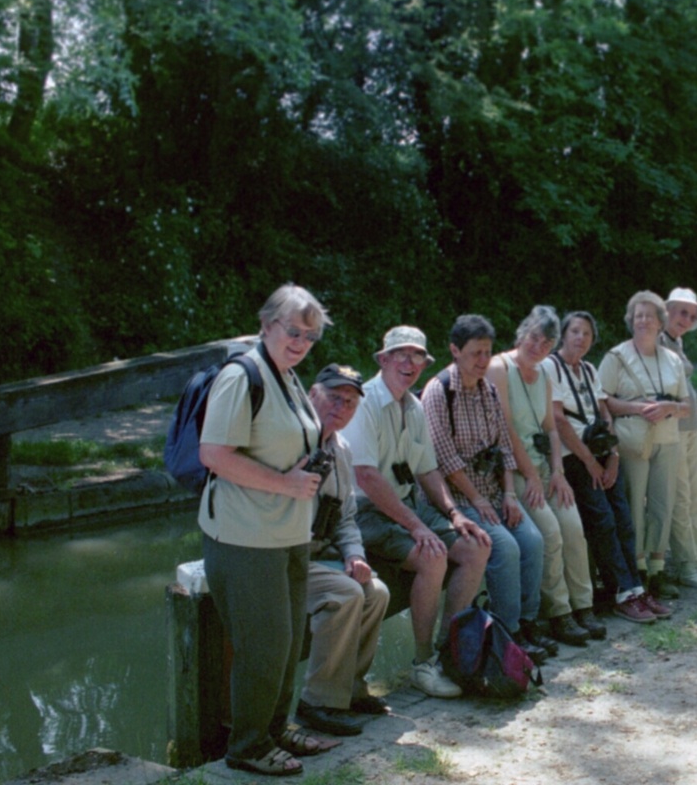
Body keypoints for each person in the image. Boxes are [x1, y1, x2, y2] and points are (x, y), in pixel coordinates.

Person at [198, 283, 337, 777]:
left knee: (289, 639)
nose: (300, 341)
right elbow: (213, 455)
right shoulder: (243, 376)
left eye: (310, 336)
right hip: (245, 536)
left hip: (288, 532)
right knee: (263, 647)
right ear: (267, 325)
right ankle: (249, 745)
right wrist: (284, 482)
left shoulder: (288, 374)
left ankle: (277, 730)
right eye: (293, 330)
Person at [339, 326, 492, 698]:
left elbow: (426, 469)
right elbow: (367, 477)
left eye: (417, 356)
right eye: (401, 354)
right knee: (432, 556)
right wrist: (417, 526)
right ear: (384, 359)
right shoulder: (366, 402)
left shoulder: (414, 404)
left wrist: (454, 513)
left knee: (476, 546)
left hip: (403, 507)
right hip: (365, 512)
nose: (409, 363)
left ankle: (448, 650)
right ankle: (422, 663)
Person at [422, 315, 553, 661]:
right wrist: (478, 500)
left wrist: (509, 494)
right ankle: (506, 634)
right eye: (476, 353)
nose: (483, 361)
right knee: (505, 548)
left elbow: (504, 448)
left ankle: (528, 622)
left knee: (533, 541)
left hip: (494, 492)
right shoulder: (438, 392)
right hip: (460, 498)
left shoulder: (488, 390)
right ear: (454, 351)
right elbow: (446, 459)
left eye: (487, 352)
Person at [489, 306, 604, 646]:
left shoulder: (544, 374)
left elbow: (551, 428)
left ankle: (583, 606)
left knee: (573, 527)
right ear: (522, 333)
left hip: (544, 469)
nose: (539, 345)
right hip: (515, 472)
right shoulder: (500, 368)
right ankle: (558, 613)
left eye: (547, 341)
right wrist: (532, 475)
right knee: (550, 533)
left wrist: (558, 471)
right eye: (535, 337)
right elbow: (505, 429)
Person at [548, 311, 671, 624]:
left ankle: (635, 588)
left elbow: (605, 413)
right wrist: (589, 462)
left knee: (624, 519)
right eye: (575, 332)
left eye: (587, 334)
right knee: (602, 521)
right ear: (563, 335)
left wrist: (613, 456)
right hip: (574, 456)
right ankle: (621, 593)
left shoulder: (589, 369)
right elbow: (559, 420)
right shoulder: (552, 367)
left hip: (602, 452)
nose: (580, 338)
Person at [296, 364, 391, 737]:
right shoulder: (292, 440)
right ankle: (316, 702)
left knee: (376, 592)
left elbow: (347, 517)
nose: (342, 407)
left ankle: (349, 688)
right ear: (311, 394)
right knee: (344, 592)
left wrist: (355, 555)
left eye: (350, 402)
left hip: (321, 555)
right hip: (285, 556)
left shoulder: (341, 449)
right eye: (334, 397)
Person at [598, 291, 689, 599]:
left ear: (660, 321)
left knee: (663, 503)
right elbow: (602, 400)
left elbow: (688, 404)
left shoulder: (673, 360)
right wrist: (638, 408)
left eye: (650, 315)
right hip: (632, 441)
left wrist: (669, 408)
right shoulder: (616, 357)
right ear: (630, 320)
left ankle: (657, 569)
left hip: (668, 438)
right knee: (634, 502)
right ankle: (635, 567)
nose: (644, 320)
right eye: (638, 315)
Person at [659, 288, 697, 590]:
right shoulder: (655, 342)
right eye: (681, 312)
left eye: (691, 315)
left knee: (696, 494)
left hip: (691, 426)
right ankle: (686, 564)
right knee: (681, 497)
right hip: (672, 430)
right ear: (667, 310)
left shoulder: (676, 341)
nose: (686, 319)